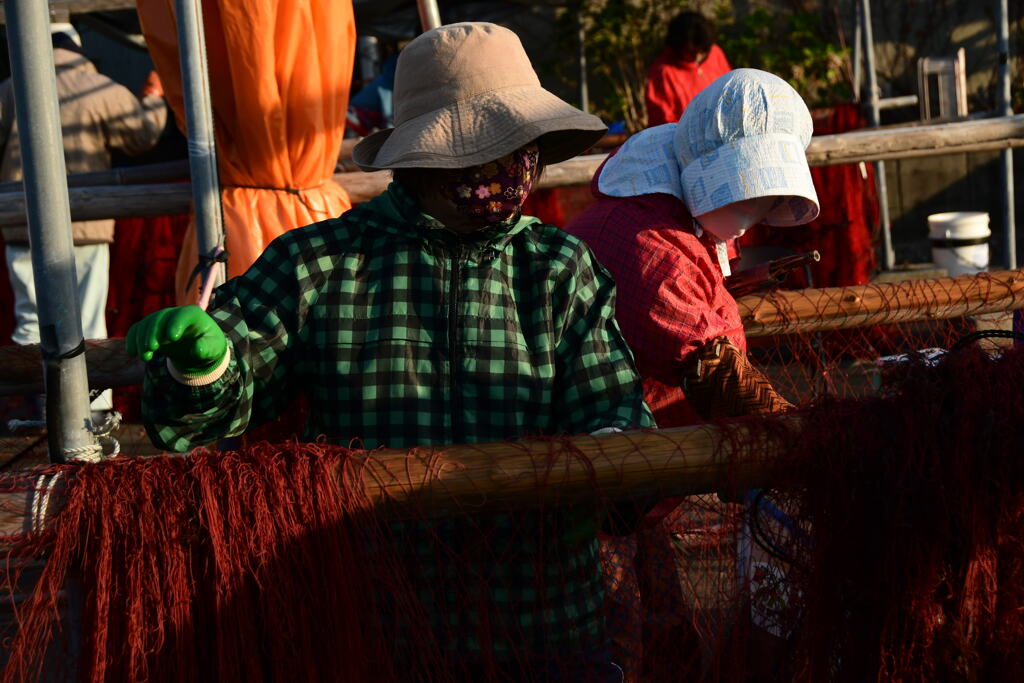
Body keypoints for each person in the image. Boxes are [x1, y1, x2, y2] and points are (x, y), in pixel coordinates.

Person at [126, 22, 653, 680]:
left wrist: (607, 462)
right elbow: (208, 409)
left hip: (544, 623)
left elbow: (616, 411)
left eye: (521, 145)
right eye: (481, 149)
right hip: (380, 629)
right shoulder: (319, 264)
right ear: (421, 157)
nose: (509, 167)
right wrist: (202, 366)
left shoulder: (557, 268)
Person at [564, 68, 819, 677]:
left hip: (638, 482)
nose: (757, 209)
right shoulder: (647, 242)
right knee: (615, 649)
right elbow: (714, 373)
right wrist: (808, 440)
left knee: (668, 640)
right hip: (591, 491)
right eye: (750, 190)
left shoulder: (672, 216)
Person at [0, 25, 167, 422]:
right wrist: (154, 99)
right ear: (77, 47)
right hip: (85, 224)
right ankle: (90, 417)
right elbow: (141, 137)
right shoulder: (98, 88)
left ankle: (36, 415)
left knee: (29, 320)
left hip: (21, 224)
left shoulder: (9, 89)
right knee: (87, 321)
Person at [645, 11, 731, 127]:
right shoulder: (663, 72)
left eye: (702, 51)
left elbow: (731, 89)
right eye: (691, 52)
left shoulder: (715, 53)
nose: (697, 57)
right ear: (677, 46)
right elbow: (662, 124)